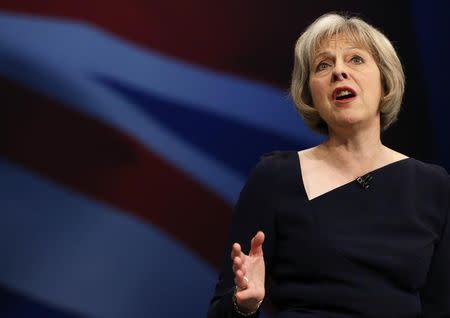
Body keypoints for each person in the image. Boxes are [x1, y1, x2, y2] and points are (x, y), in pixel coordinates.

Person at [207, 12, 450, 318]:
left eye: (356, 60)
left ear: (385, 81)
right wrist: (244, 305)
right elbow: (220, 310)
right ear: (311, 95)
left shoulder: (434, 186)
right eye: (323, 65)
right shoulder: (274, 178)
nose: (339, 72)